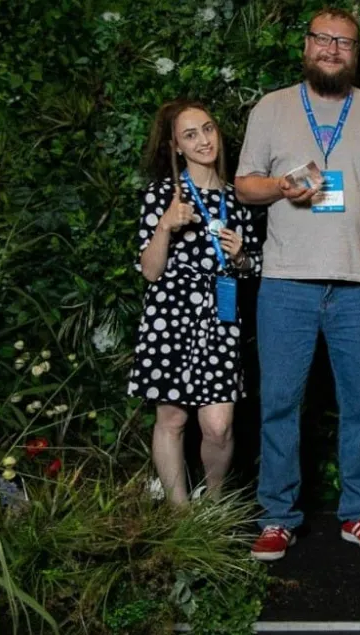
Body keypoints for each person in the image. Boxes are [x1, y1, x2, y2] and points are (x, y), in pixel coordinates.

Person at [235, 7, 360, 561]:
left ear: (356, 55)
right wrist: (282, 187)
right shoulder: (272, 107)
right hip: (287, 283)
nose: (333, 50)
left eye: (345, 43)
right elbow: (243, 187)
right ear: (306, 46)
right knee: (281, 404)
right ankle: (277, 517)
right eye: (324, 40)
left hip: (359, 283)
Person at [130, 99, 262, 506]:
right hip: (170, 314)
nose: (204, 140)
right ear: (175, 146)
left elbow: (253, 267)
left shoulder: (238, 197)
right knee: (172, 418)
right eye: (191, 135)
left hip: (220, 319)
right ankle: (179, 515)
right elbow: (150, 271)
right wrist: (166, 226)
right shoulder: (161, 195)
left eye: (208, 129)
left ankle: (214, 507)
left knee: (219, 425)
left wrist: (241, 256)